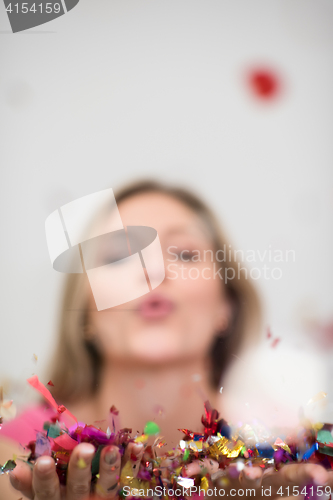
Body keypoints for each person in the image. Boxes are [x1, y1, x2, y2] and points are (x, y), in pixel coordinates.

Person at [0, 179, 331, 499]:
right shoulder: (13, 458)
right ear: (86, 313)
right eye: (119, 256)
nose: (153, 271)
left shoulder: (294, 456)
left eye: (185, 254)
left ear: (226, 307)